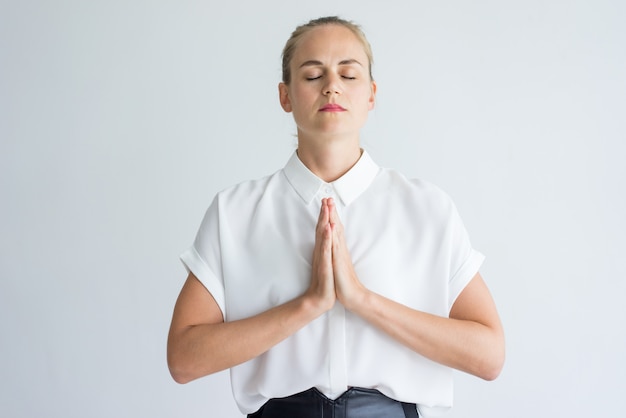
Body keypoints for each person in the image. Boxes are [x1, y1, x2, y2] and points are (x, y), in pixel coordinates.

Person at [167, 16, 505, 418]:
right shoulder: (234, 213)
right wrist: (308, 305)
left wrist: (362, 300)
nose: (332, 85)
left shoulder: (426, 209)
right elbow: (183, 359)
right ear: (285, 96)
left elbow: (489, 356)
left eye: (348, 73)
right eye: (312, 75)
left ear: (371, 95)